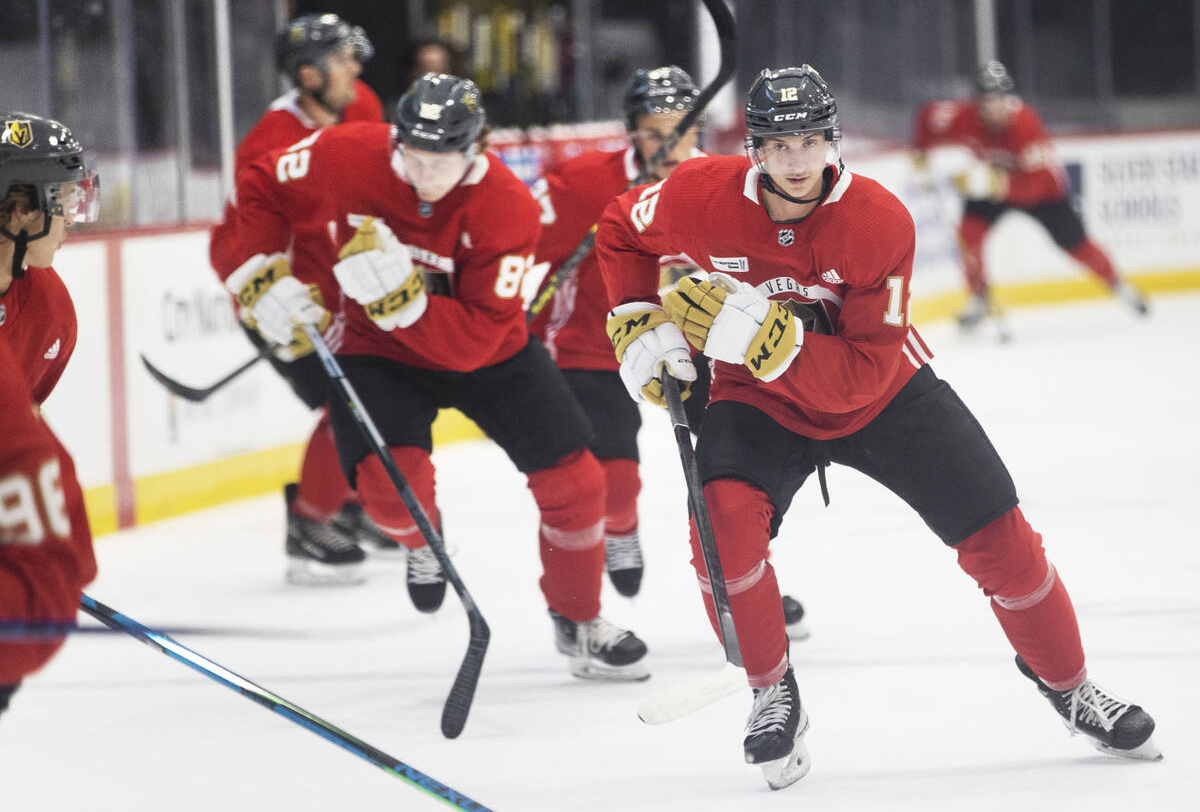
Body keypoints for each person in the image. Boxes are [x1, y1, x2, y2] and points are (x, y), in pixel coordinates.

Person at [595, 66, 1160, 788]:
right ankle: (772, 690)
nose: (796, 162)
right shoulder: (695, 196)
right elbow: (620, 228)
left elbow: (863, 372)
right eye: (778, 145)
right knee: (719, 527)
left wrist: (774, 339)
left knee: (1000, 536)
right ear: (754, 151)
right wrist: (636, 316)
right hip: (757, 395)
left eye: (809, 141)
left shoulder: (878, 219)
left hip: (882, 391)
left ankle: (1072, 684)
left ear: (832, 140)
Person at [215, 73, 649, 680]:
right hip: (375, 350)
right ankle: (422, 539)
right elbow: (260, 180)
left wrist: (407, 304)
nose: (421, 174)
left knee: (577, 484)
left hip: (487, 350)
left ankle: (577, 619)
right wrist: (260, 269)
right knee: (393, 498)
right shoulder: (346, 153)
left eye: (439, 162)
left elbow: (474, 340)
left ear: (477, 149)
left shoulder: (507, 208)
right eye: (410, 156)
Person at [529, 65, 810, 638]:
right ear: (632, 133)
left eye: (679, 130)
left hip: (704, 351)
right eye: (654, 132)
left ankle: (744, 586)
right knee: (614, 478)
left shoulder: (727, 184)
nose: (668, 144)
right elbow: (510, 237)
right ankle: (620, 523)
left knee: (730, 481)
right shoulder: (582, 182)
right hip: (597, 347)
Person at [209, 12, 396, 586]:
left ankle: (347, 501)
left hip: (339, 290)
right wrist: (269, 295)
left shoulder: (360, 104)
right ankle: (310, 522)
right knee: (352, 397)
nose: (356, 68)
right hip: (278, 296)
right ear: (310, 76)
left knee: (382, 387)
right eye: (342, 60)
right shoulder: (269, 145)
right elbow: (238, 245)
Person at [913, 60, 1148, 328]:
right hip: (991, 183)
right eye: (990, 101)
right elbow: (926, 117)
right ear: (978, 103)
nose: (997, 107)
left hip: (1043, 194)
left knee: (1077, 245)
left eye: (1001, 99)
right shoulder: (962, 117)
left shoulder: (1026, 124)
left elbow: (1034, 186)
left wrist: (994, 185)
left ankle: (1116, 283)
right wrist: (920, 156)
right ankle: (978, 296)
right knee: (969, 234)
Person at [0, 113, 100, 717]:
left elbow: (18, 436)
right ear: (20, 211)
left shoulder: (50, 309)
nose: (70, 218)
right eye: (61, 200)